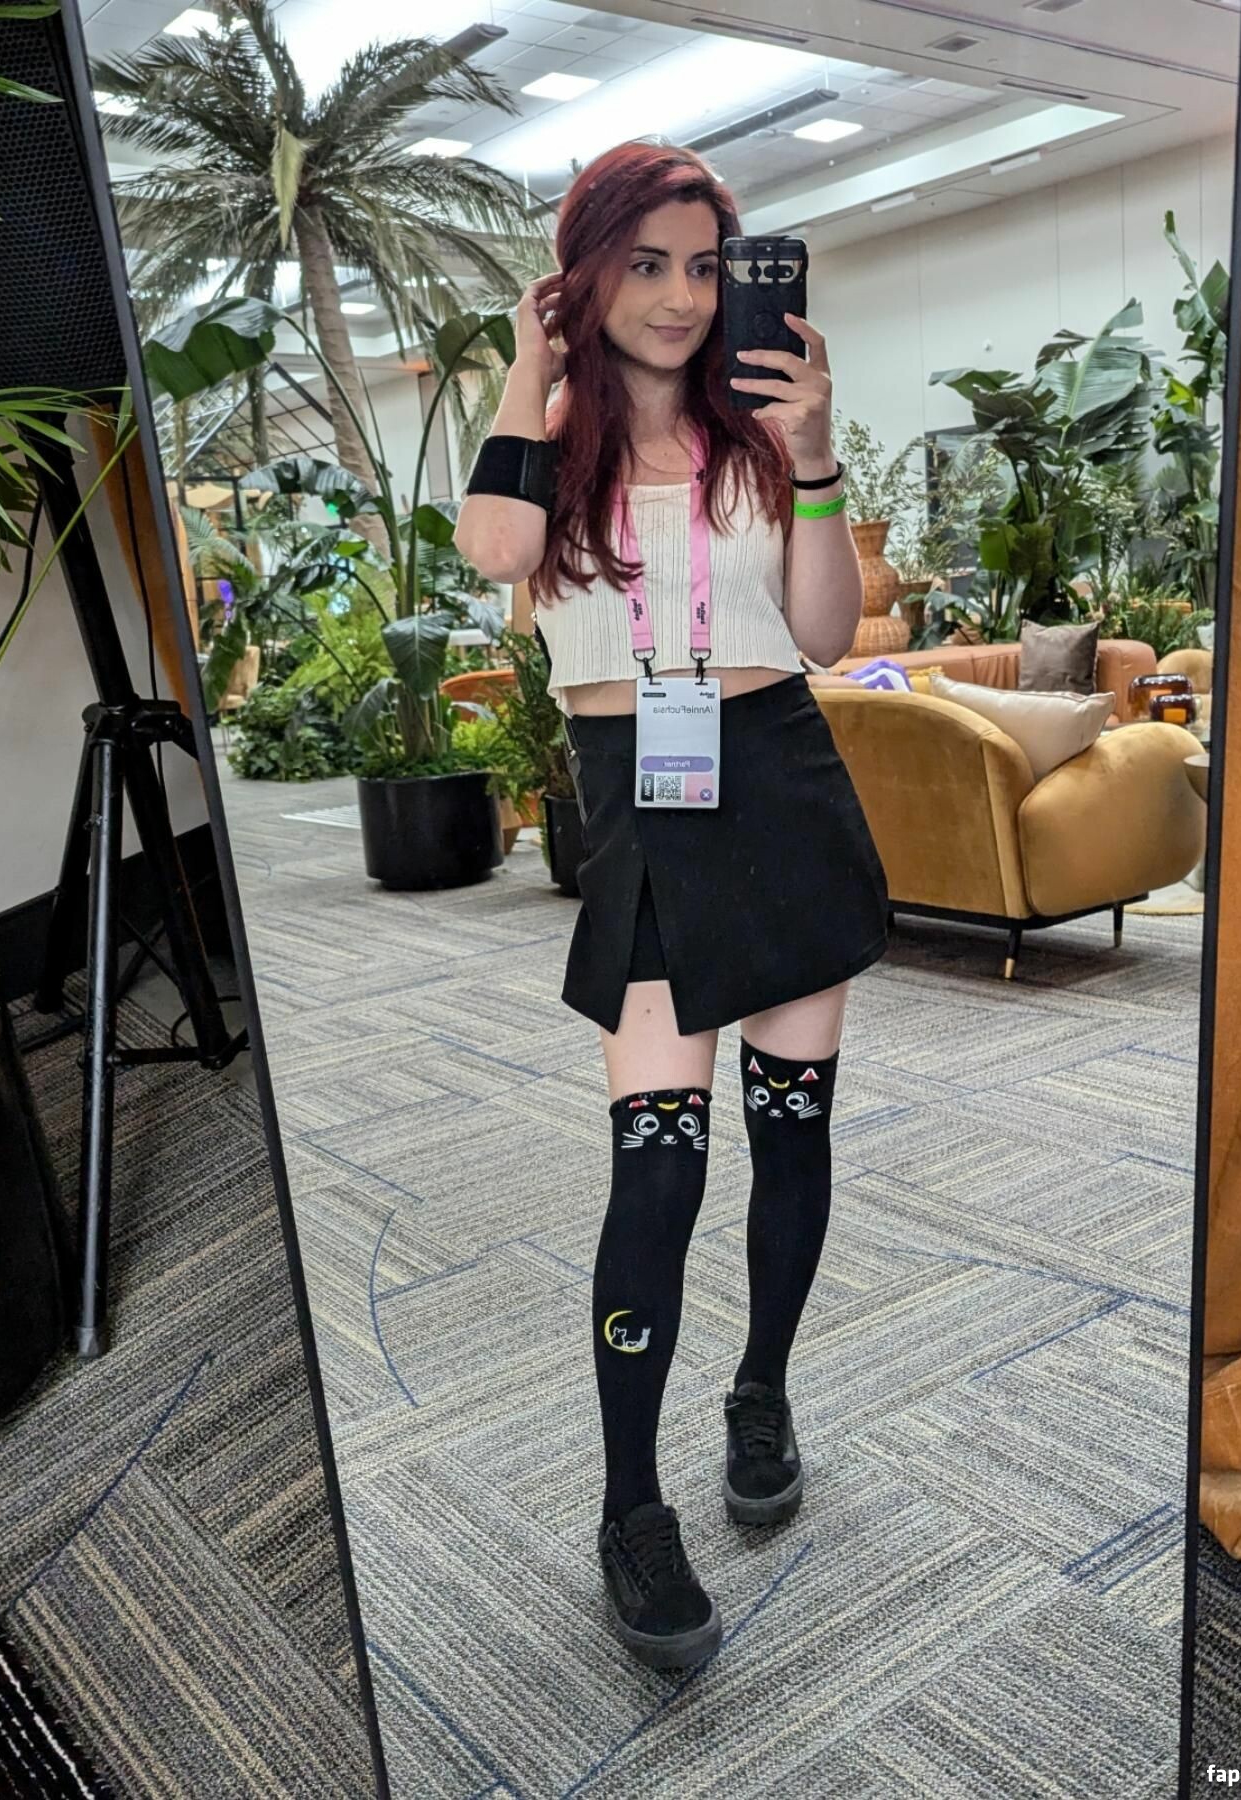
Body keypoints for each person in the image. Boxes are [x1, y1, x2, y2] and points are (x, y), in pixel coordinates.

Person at [454, 140, 890, 1673]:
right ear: (584, 276)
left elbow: (826, 634)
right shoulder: (550, 443)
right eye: (644, 262)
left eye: (705, 265)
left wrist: (816, 452)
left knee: (792, 1131)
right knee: (656, 1172)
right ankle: (630, 1504)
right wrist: (531, 365)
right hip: (642, 803)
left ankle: (761, 1388)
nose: (682, 295)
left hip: (781, 781)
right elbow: (497, 549)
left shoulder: (760, 438)